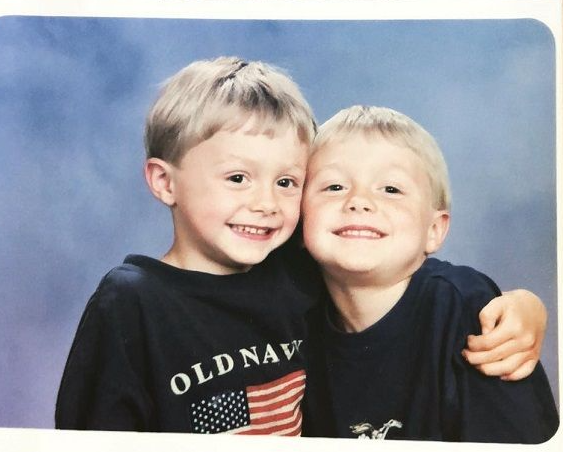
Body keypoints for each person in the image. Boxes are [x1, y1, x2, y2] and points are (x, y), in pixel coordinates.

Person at [55, 57, 548, 435]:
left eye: (288, 182)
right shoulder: (130, 303)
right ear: (165, 182)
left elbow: (392, 270)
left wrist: (526, 306)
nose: (266, 202)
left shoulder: (296, 275)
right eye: (238, 177)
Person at [301, 105, 558, 442]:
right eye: (334, 187)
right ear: (299, 214)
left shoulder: (465, 310)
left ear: (433, 230)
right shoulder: (290, 315)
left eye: (390, 189)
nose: (358, 201)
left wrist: (529, 304)